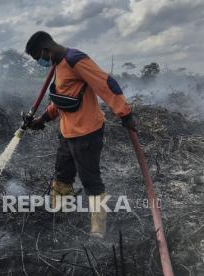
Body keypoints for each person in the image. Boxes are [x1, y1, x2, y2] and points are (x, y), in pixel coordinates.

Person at [24, 31, 136, 238]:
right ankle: (61, 214)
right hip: (67, 134)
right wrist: (42, 120)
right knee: (63, 176)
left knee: (91, 180)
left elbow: (106, 84)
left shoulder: (76, 60)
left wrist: (125, 114)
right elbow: (62, 100)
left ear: (45, 50)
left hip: (87, 133)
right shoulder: (58, 66)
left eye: (38, 58)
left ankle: (98, 230)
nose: (40, 62)